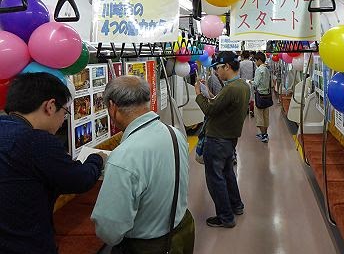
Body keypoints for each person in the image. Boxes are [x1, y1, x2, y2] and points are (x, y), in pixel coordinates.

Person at [0, 73, 104, 254]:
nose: (63, 120)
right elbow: (79, 180)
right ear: (50, 106)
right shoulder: (36, 141)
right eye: (65, 112)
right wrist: (97, 159)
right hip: (26, 244)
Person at [91, 75, 194, 254]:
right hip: (182, 231)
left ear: (113, 107)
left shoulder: (123, 158)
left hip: (147, 247)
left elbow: (109, 231)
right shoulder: (174, 134)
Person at [194, 51, 250, 228]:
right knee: (227, 174)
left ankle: (225, 217)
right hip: (229, 138)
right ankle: (236, 205)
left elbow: (210, 110)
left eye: (218, 68)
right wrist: (209, 95)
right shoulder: (242, 86)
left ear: (227, 67)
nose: (217, 72)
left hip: (217, 139)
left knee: (215, 178)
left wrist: (198, 95)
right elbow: (220, 106)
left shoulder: (230, 88)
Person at [251, 52, 272, 143]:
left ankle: (264, 135)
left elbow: (255, 83)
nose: (255, 62)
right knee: (265, 116)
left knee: (259, 116)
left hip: (259, 95)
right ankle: (265, 133)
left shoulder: (259, 70)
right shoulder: (267, 69)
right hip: (267, 95)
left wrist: (249, 82)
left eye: (255, 60)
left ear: (259, 60)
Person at [239, 51, 256, 117]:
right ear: (249, 56)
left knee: (244, 96)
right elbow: (255, 73)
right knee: (251, 97)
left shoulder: (240, 63)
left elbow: (238, 74)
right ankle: (252, 110)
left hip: (243, 82)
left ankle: (245, 110)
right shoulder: (253, 63)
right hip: (251, 81)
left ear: (242, 56)